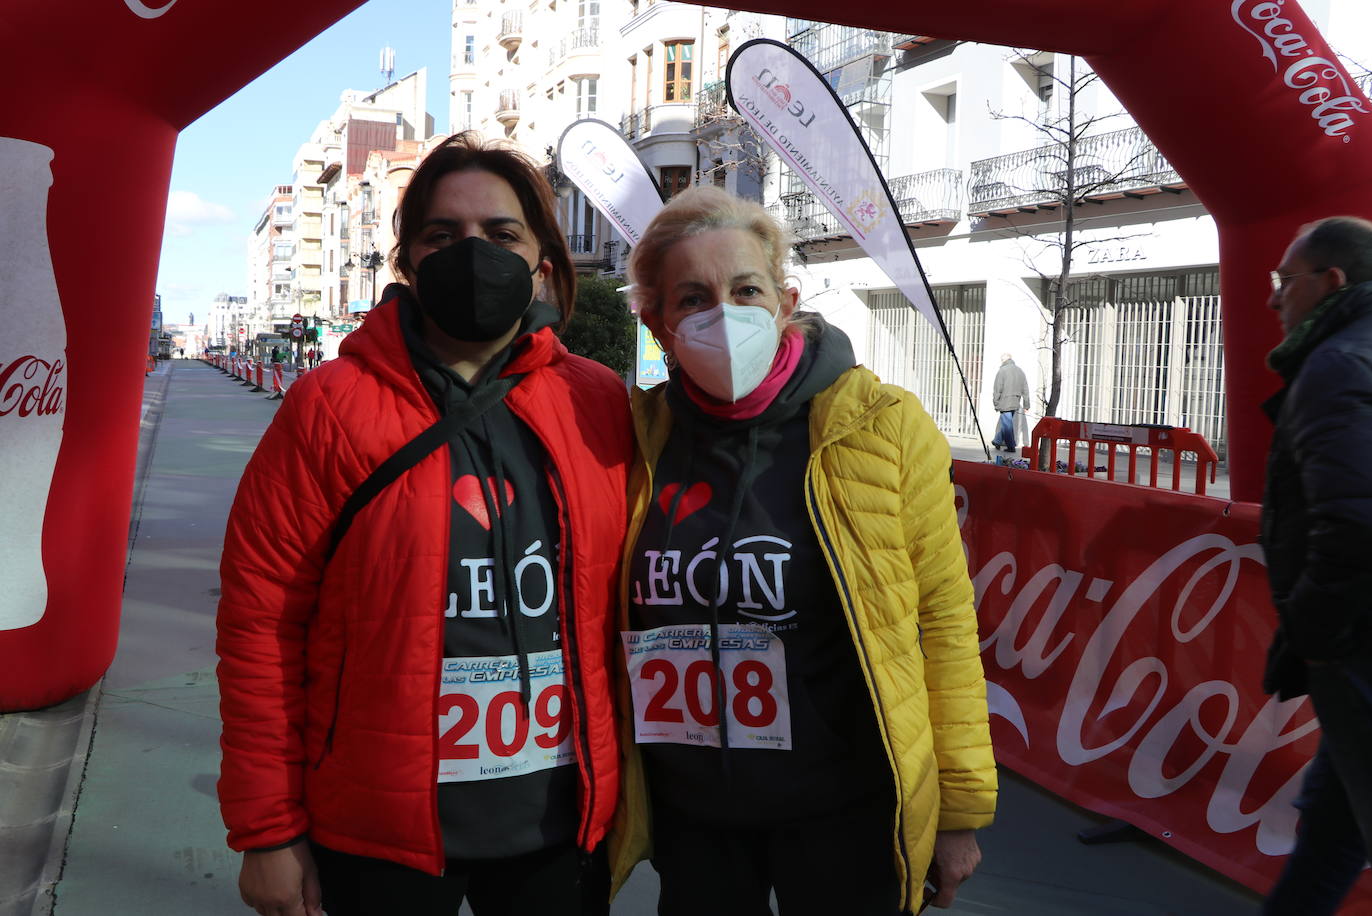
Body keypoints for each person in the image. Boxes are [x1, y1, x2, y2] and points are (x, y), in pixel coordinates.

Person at [216, 132, 632, 916]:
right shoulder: (329, 408)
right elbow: (260, 625)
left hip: (560, 824)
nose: (473, 254)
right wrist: (267, 831)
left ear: (543, 258)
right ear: (406, 261)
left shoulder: (599, 402)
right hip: (380, 833)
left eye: (501, 235)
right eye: (443, 236)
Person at [608, 187, 997, 915]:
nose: (723, 313)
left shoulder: (882, 428)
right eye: (692, 298)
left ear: (786, 302)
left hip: (842, 813)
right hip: (694, 820)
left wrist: (960, 809)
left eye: (746, 289)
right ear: (656, 323)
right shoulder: (632, 438)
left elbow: (943, 620)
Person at [1260, 216, 1372, 915]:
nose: (1274, 299)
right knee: (1331, 836)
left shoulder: (1337, 364)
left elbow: (1356, 524)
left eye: (1285, 281)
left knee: (1332, 838)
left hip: (1361, 651)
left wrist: (1311, 634)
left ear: (1330, 282)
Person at [989, 353, 1029, 453]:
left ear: (1003, 360)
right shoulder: (1020, 371)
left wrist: (996, 402)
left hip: (1004, 401)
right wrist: (1026, 404)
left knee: (1007, 424)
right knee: (1007, 423)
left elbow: (998, 388)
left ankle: (1011, 446)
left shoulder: (1002, 371)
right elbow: (1025, 389)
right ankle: (997, 440)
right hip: (1015, 401)